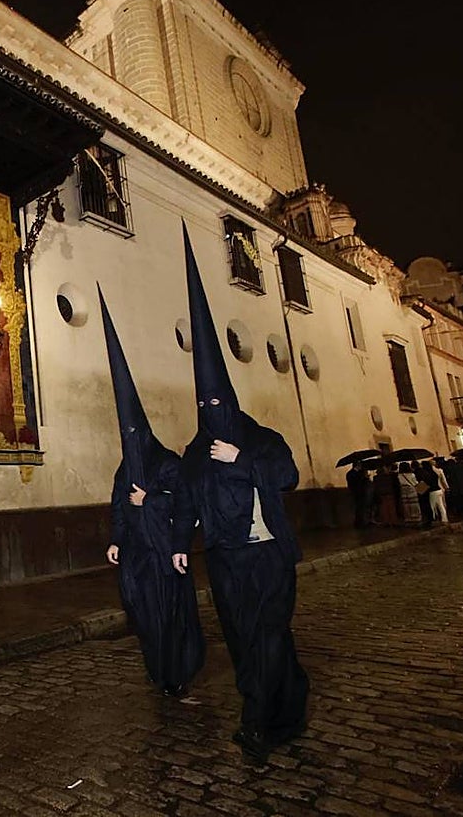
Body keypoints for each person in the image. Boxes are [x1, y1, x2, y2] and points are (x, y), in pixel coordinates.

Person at [172, 223, 308, 765]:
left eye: (217, 406)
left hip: (269, 555)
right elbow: (184, 501)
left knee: (270, 633)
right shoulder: (192, 451)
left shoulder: (262, 439)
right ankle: (286, 701)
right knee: (243, 637)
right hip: (226, 560)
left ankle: (260, 719)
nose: (211, 417)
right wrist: (182, 540)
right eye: (203, 409)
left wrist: (243, 461)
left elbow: (290, 475)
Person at [99, 287, 205, 697]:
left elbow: (184, 504)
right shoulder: (127, 466)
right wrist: (116, 540)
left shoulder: (167, 464)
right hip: (139, 559)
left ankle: (177, 669)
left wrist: (153, 502)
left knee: (170, 615)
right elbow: (118, 507)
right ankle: (158, 667)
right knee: (143, 616)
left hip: (165, 557)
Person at [346, 462, 371, 529]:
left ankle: (361, 522)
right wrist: (363, 478)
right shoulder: (352, 474)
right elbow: (355, 483)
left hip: (360, 493)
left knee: (361, 508)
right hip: (357, 493)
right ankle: (359, 523)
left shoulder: (355, 473)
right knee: (359, 508)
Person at [425, 459, 449, 524]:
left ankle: (435, 518)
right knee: (442, 505)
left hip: (433, 490)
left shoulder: (427, 472)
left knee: (433, 506)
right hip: (440, 489)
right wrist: (447, 487)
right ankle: (444, 519)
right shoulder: (439, 470)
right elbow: (444, 480)